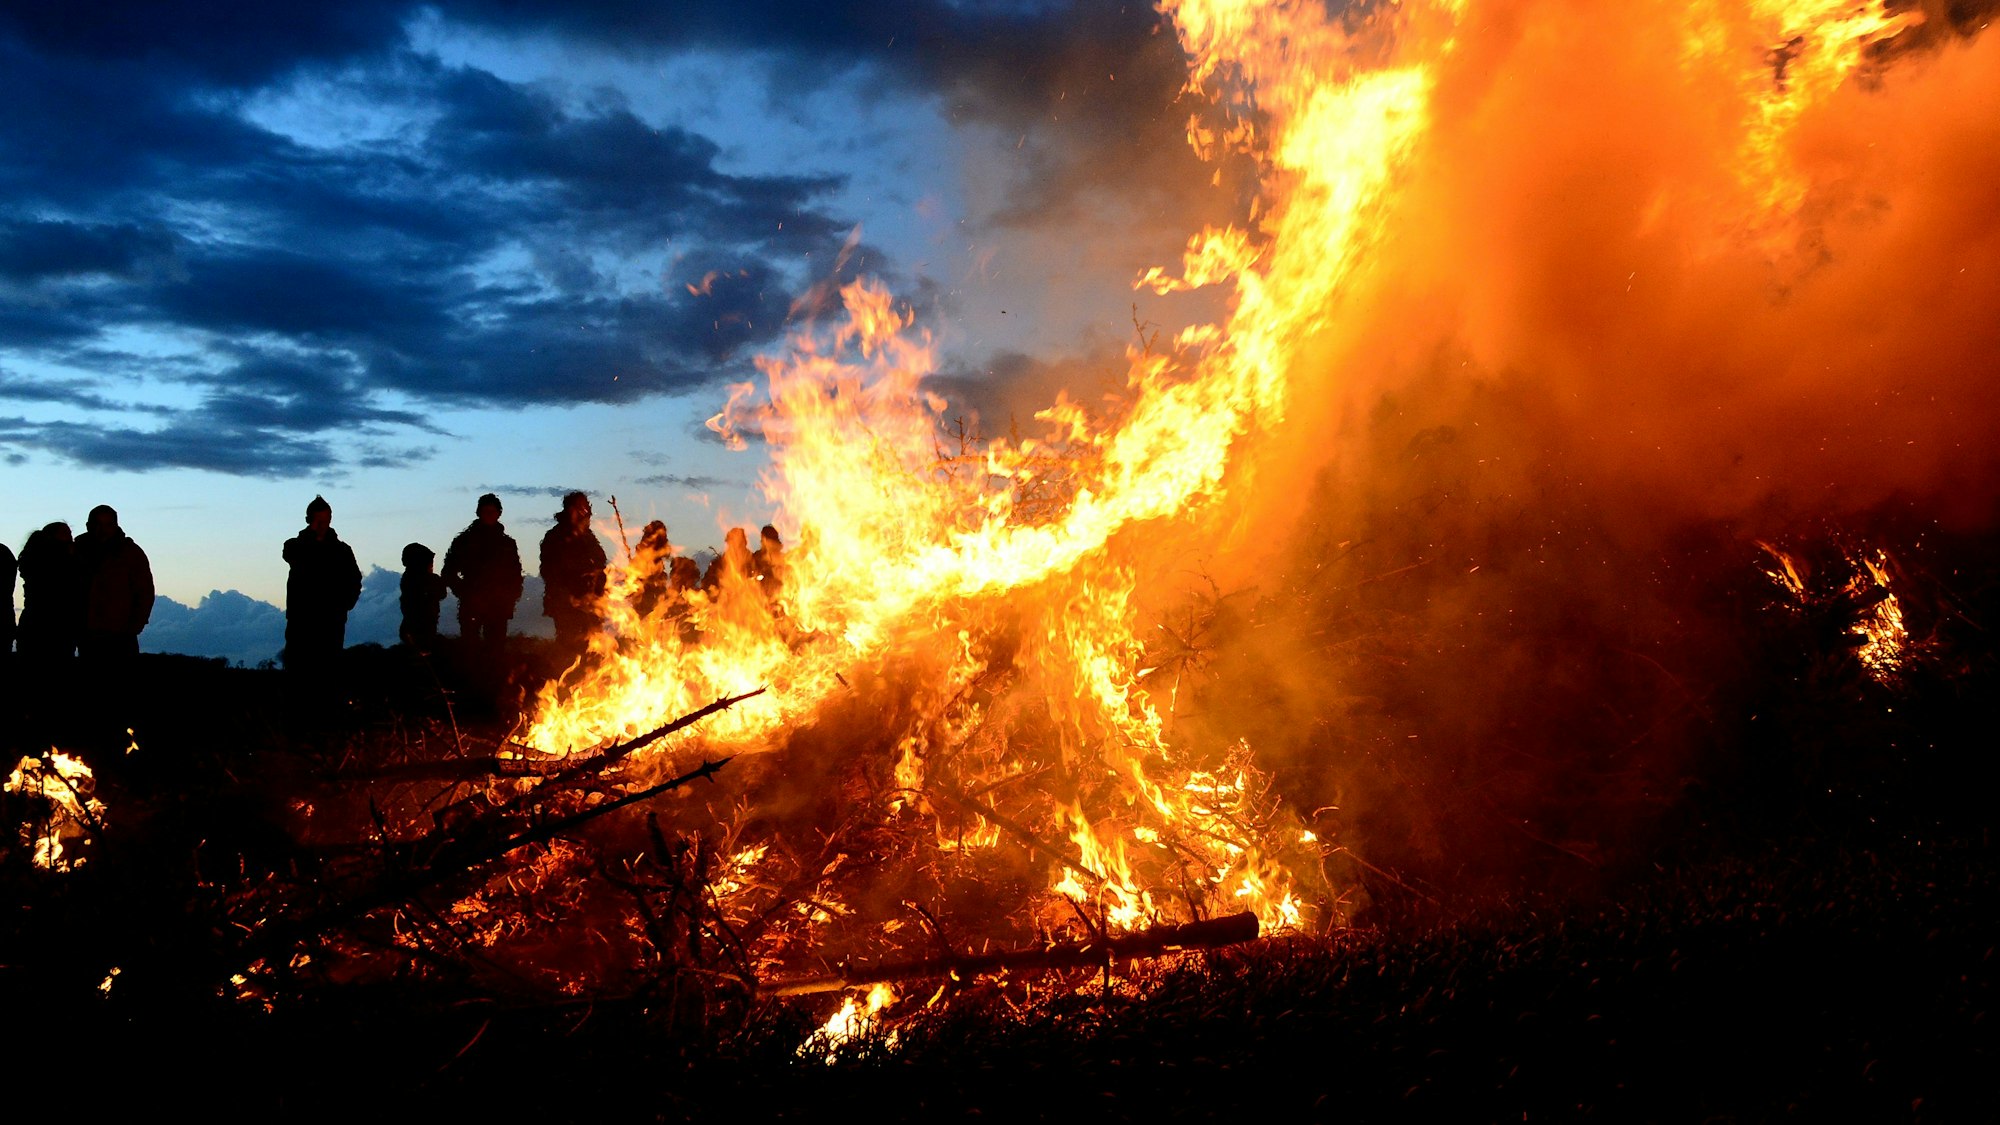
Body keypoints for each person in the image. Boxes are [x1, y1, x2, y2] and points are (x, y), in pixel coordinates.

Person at [281, 495, 363, 674]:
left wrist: (345, 604)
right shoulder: (295, 546)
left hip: (331, 622)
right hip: (301, 622)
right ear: (309, 520)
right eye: (318, 520)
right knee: (299, 671)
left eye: (326, 520)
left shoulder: (342, 550)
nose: (322, 525)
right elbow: (292, 555)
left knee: (328, 672)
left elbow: (355, 579)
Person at [441, 493, 522, 662]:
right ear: (478, 513)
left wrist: (511, 596)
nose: (489, 515)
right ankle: (472, 685)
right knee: (470, 651)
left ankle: (494, 685)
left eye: (493, 512)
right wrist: (465, 592)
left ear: (499, 513)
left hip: (499, 607)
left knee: (496, 652)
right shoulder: (464, 541)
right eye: (485, 511)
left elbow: (515, 573)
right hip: (472, 606)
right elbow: (448, 572)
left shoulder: (507, 544)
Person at [73, 504, 154, 666]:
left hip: (121, 633)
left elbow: (145, 592)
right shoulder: (76, 550)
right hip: (86, 633)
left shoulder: (131, 553)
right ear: (89, 526)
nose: (102, 529)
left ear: (115, 525)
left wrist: (135, 626)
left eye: (108, 524)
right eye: (97, 524)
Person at [539, 491, 607, 657]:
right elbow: (549, 570)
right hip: (566, 603)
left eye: (586, 507)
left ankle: (590, 680)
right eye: (580, 507)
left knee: (592, 647)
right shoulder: (555, 536)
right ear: (570, 509)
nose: (585, 511)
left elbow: (600, 562)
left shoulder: (589, 537)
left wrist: (598, 588)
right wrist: (567, 593)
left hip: (591, 603)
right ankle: (567, 679)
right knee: (568, 647)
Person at [15, 522, 77, 661]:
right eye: (66, 535)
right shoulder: (59, 562)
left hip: (35, 627)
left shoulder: (34, 560)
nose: (71, 539)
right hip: (55, 629)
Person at [399, 542, 446, 652]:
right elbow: (441, 593)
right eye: (430, 563)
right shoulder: (422, 580)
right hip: (422, 627)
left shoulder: (408, 579)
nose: (432, 566)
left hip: (416, 625)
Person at [749, 524, 788, 598]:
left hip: (779, 594)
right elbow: (750, 572)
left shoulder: (783, 558)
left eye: (763, 538)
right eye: (762, 538)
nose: (761, 541)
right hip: (760, 595)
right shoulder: (757, 557)